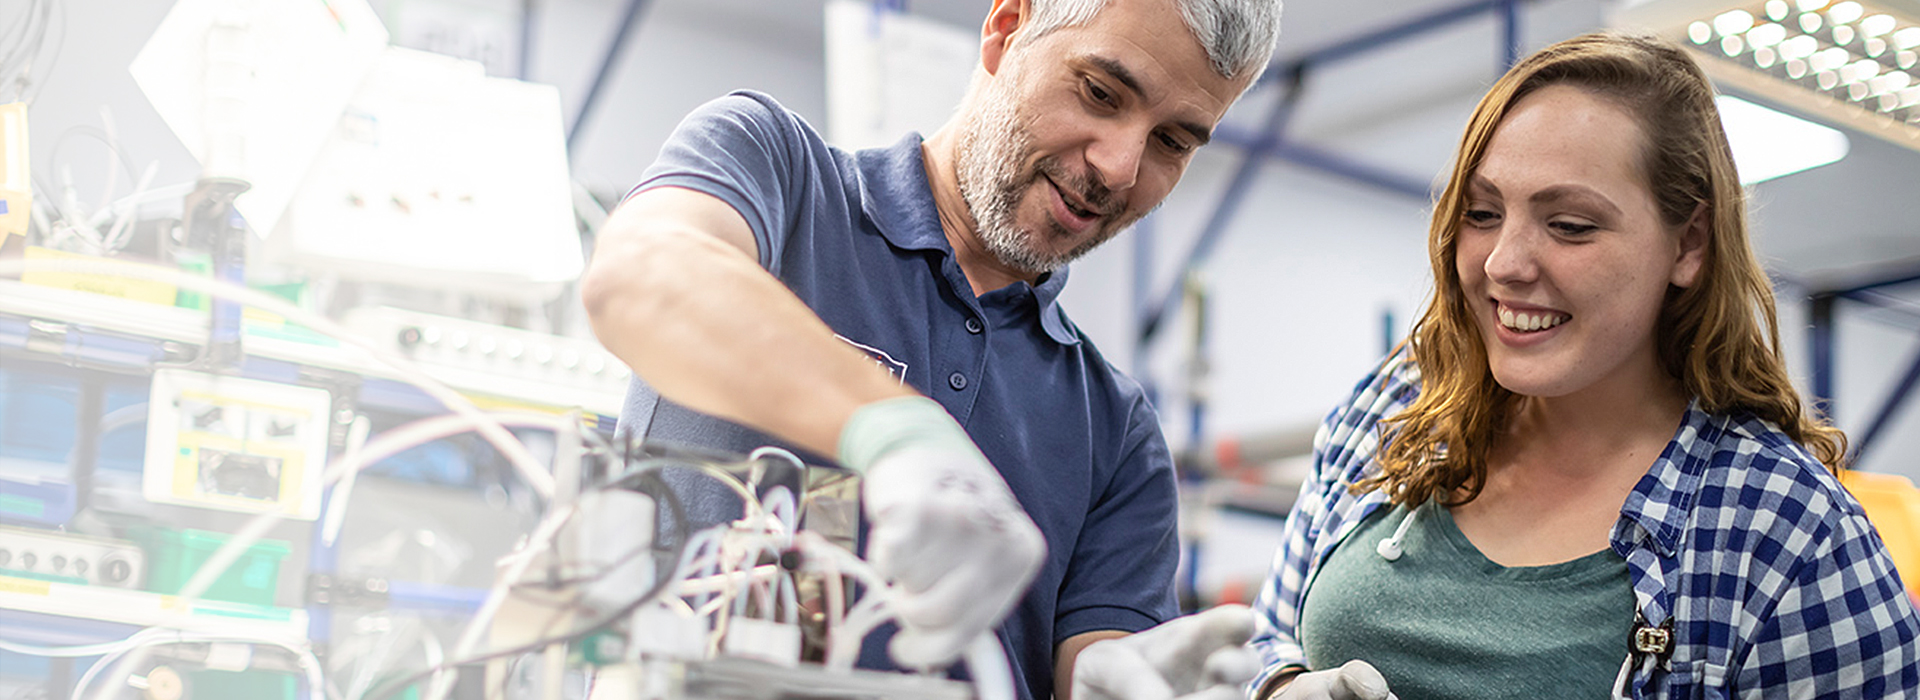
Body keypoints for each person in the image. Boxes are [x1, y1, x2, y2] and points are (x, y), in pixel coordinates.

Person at [579, 1, 1282, 699]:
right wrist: (895, 431)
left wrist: (1114, 682)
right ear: (1007, 30)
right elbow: (642, 273)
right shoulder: (778, 174)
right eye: (1101, 93)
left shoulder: (1116, 432)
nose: (1120, 167)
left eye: (1173, 143)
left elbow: (1099, 656)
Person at [1246, 31, 1920, 700]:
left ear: (1688, 243)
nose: (1504, 263)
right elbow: (1268, 635)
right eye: (1482, 213)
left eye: (1569, 225)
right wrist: (1278, 686)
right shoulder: (1392, 408)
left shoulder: (1785, 528)